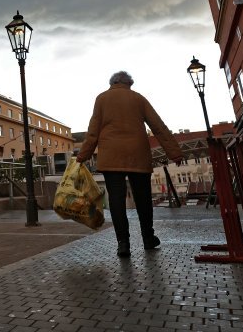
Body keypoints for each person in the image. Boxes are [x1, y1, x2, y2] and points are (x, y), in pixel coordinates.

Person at [77, 71, 183, 258]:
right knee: (143, 199)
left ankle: (123, 244)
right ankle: (148, 238)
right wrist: (174, 152)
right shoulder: (138, 99)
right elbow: (158, 126)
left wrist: (82, 156)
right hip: (138, 156)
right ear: (128, 83)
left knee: (116, 202)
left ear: (113, 83)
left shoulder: (102, 99)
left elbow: (93, 131)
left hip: (111, 158)